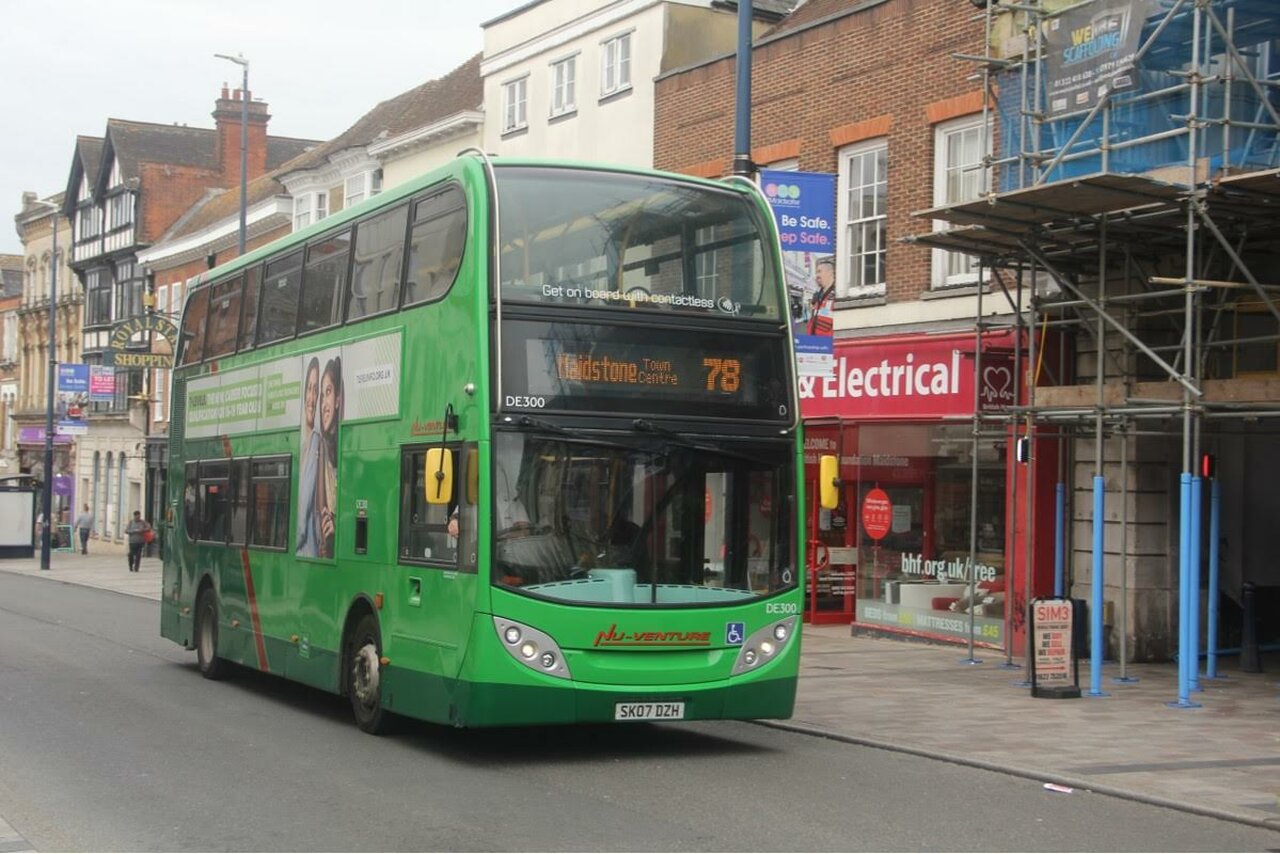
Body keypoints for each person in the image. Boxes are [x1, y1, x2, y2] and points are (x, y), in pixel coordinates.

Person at [316, 357, 343, 558]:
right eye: (321, 396)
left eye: (328, 392)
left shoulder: (343, 456)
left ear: (338, 401)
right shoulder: (319, 455)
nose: (323, 404)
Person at [295, 357, 322, 557]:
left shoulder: (315, 444)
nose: (312, 398)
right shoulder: (303, 444)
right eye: (309, 389)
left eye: (316, 390)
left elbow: (302, 524)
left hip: (306, 552)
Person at [807, 256, 836, 336]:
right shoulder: (818, 295)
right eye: (816, 272)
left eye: (819, 271)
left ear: (830, 272)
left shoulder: (837, 296)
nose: (817, 275)